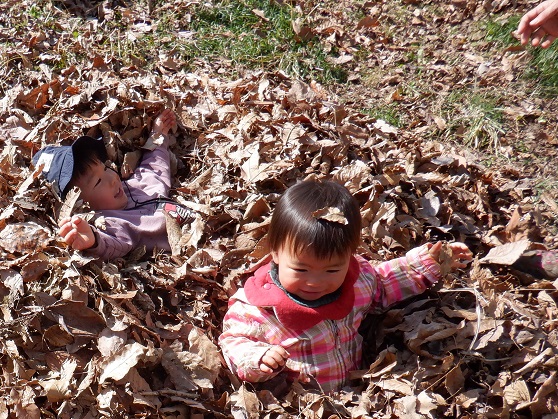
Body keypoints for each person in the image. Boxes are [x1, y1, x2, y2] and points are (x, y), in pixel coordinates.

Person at [219, 180, 472, 393]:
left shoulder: (356, 281)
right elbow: (233, 341)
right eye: (300, 269)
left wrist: (430, 262)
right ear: (275, 253)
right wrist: (258, 358)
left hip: (355, 386)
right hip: (302, 401)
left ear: (350, 256)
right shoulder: (259, 309)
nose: (315, 282)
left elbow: (385, 282)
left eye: (331, 270)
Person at [32, 109, 194, 260]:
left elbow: (152, 167)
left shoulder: (133, 187)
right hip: (191, 246)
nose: (112, 178)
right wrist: (93, 240)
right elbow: (113, 244)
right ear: (80, 205)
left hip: (199, 221)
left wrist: (158, 136)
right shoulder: (111, 222)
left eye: (105, 168)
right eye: (98, 182)